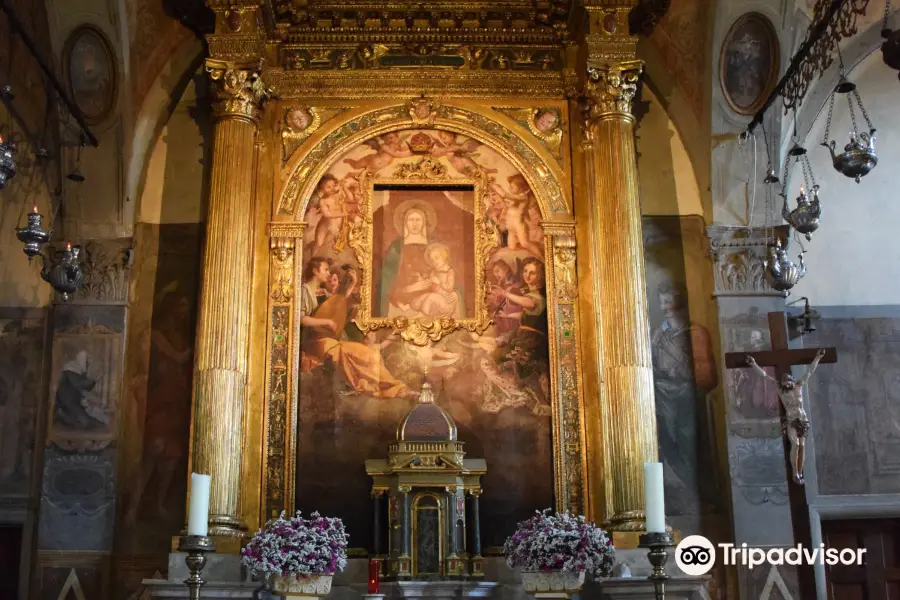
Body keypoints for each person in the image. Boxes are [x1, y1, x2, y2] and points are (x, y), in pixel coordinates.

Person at [746, 348, 827, 485]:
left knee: (802, 445)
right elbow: (765, 376)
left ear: (792, 381)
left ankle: (800, 473)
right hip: (791, 421)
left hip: (803, 420)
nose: (786, 384)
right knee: (795, 444)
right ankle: (794, 472)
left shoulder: (799, 386)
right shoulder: (780, 390)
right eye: (784, 383)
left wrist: (818, 357)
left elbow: (810, 372)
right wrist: (753, 364)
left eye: (788, 382)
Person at [409, 243, 462, 317]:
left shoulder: (450, 271)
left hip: (447, 301)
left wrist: (439, 282)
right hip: (437, 296)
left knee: (431, 298)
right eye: (432, 260)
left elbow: (449, 288)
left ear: (444, 256)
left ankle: (421, 315)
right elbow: (430, 283)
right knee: (417, 301)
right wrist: (424, 281)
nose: (435, 262)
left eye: (437, 258)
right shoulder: (434, 271)